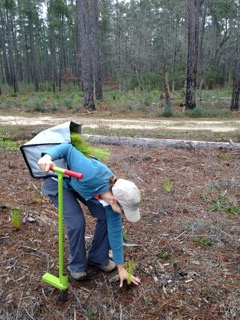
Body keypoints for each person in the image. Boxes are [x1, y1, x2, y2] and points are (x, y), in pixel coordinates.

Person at [38, 143, 141, 287]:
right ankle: (77, 266)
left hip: (78, 184)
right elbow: (67, 149)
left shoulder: (113, 200)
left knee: (106, 217)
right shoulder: (90, 172)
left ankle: (98, 258)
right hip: (59, 181)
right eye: (123, 210)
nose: (122, 214)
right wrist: (47, 157)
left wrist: (121, 269)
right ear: (114, 200)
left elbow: (116, 233)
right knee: (77, 222)